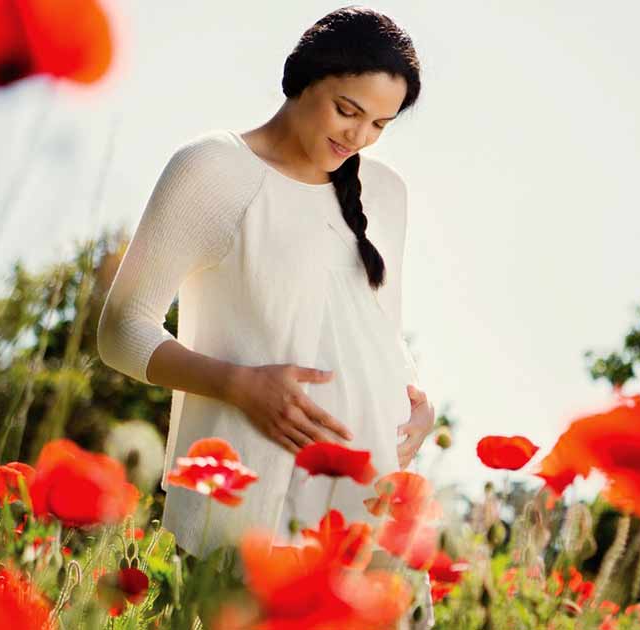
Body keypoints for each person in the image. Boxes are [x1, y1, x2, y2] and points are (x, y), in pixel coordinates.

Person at [96, 6, 435, 627]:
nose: (359, 138)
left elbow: (381, 332)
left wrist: (417, 403)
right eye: (347, 110)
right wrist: (239, 385)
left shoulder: (387, 193)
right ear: (302, 79)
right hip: (250, 507)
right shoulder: (215, 168)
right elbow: (121, 331)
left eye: (380, 124)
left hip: (371, 508)